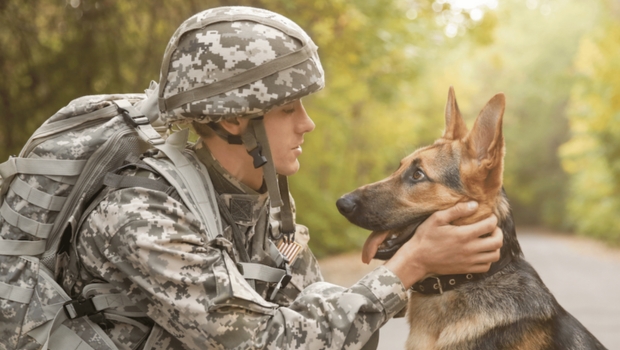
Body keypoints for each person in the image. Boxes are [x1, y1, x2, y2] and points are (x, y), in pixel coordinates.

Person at [66, 6, 503, 349]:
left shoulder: (260, 203)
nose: (307, 124)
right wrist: (414, 263)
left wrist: (445, 267)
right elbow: (261, 342)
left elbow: (314, 311)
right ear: (236, 120)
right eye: (288, 108)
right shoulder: (141, 215)